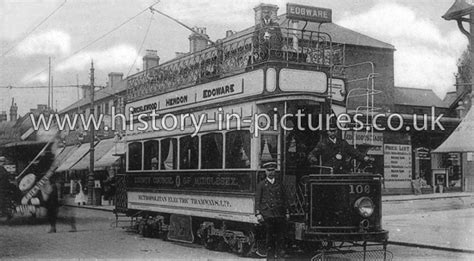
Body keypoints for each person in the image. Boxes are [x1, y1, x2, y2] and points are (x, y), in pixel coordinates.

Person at [255, 162, 290, 260]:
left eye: (273, 170)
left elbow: (285, 199)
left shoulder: (280, 184)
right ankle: (270, 259)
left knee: (280, 239)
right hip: (268, 215)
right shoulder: (261, 185)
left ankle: (280, 258)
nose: (271, 172)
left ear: (275, 171)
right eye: (269, 170)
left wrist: (287, 212)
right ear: (265, 172)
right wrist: (258, 213)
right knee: (269, 239)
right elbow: (258, 200)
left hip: (279, 214)